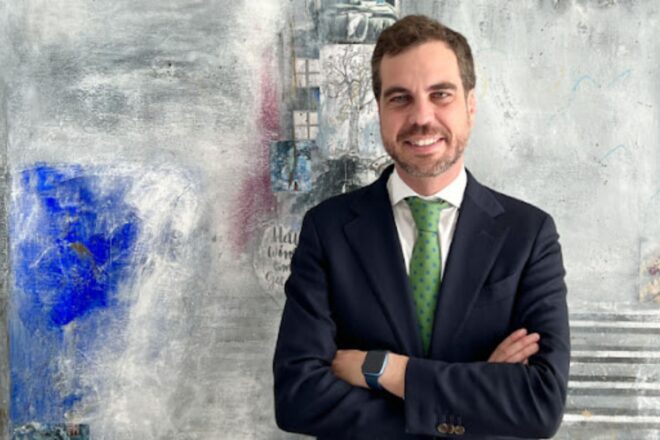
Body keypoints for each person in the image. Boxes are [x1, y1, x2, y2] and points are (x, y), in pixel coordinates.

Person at [273, 14, 570, 440]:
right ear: (379, 109)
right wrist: (475, 402)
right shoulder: (327, 230)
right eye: (400, 98)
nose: (422, 117)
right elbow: (298, 397)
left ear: (470, 105)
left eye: (440, 95)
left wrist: (385, 370)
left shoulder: (528, 235)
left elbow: (539, 404)